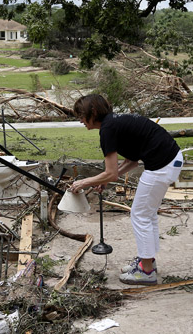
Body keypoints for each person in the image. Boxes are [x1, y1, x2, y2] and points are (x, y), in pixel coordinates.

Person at [68, 94, 183, 286]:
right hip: (169, 160)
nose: (80, 120)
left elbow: (110, 173)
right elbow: (131, 161)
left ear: (93, 112)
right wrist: (107, 178)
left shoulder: (108, 129)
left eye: (81, 115)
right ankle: (148, 263)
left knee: (140, 215)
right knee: (147, 214)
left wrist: (84, 182)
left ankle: (146, 271)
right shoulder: (114, 123)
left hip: (162, 165)